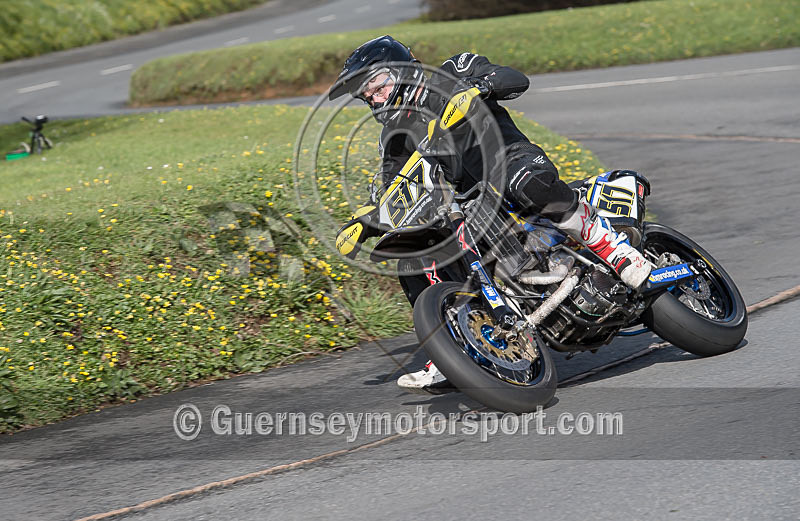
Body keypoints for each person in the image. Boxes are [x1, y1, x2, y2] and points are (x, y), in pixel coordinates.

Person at [329, 35, 651, 392]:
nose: (373, 98)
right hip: (468, 201)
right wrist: (368, 222)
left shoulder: (453, 70)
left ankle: (614, 250)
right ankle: (451, 346)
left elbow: (515, 78)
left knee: (523, 183)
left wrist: (480, 86)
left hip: (510, 160)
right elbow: (396, 186)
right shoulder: (395, 135)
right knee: (414, 256)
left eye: (375, 86)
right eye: (366, 95)